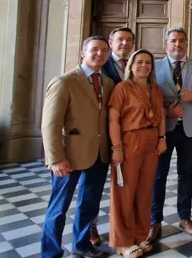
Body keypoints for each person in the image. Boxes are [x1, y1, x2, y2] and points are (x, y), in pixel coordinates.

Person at [41, 36, 115, 258]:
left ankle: (82, 245)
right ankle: (51, 252)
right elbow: (50, 123)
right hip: (69, 156)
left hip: (99, 154)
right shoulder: (64, 81)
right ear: (83, 53)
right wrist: (55, 158)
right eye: (94, 50)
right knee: (58, 208)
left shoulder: (108, 84)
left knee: (89, 205)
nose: (100, 54)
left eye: (104, 50)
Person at [148, 28, 192, 241]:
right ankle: (154, 220)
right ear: (166, 43)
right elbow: (146, 96)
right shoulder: (154, 66)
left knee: (187, 175)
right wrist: (166, 110)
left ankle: (184, 217)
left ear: (187, 43)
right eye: (174, 41)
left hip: (191, 128)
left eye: (182, 41)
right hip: (163, 129)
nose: (178, 45)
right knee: (158, 175)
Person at [107, 49, 166, 257]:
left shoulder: (156, 89)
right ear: (130, 66)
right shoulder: (122, 88)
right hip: (129, 140)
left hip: (151, 142)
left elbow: (161, 116)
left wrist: (161, 138)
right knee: (124, 192)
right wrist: (116, 147)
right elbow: (113, 119)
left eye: (148, 62)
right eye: (139, 62)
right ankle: (122, 242)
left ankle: (140, 236)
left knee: (144, 192)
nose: (144, 66)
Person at [89, 27, 134, 247]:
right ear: (111, 42)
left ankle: (124, 227)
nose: (124, 43)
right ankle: (91, 226)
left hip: (130, 135)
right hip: (100, 135)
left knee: (125, 185)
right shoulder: (99, 66)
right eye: (120, 40)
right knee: (94, 185)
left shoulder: (137, 66)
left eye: (128, 40)